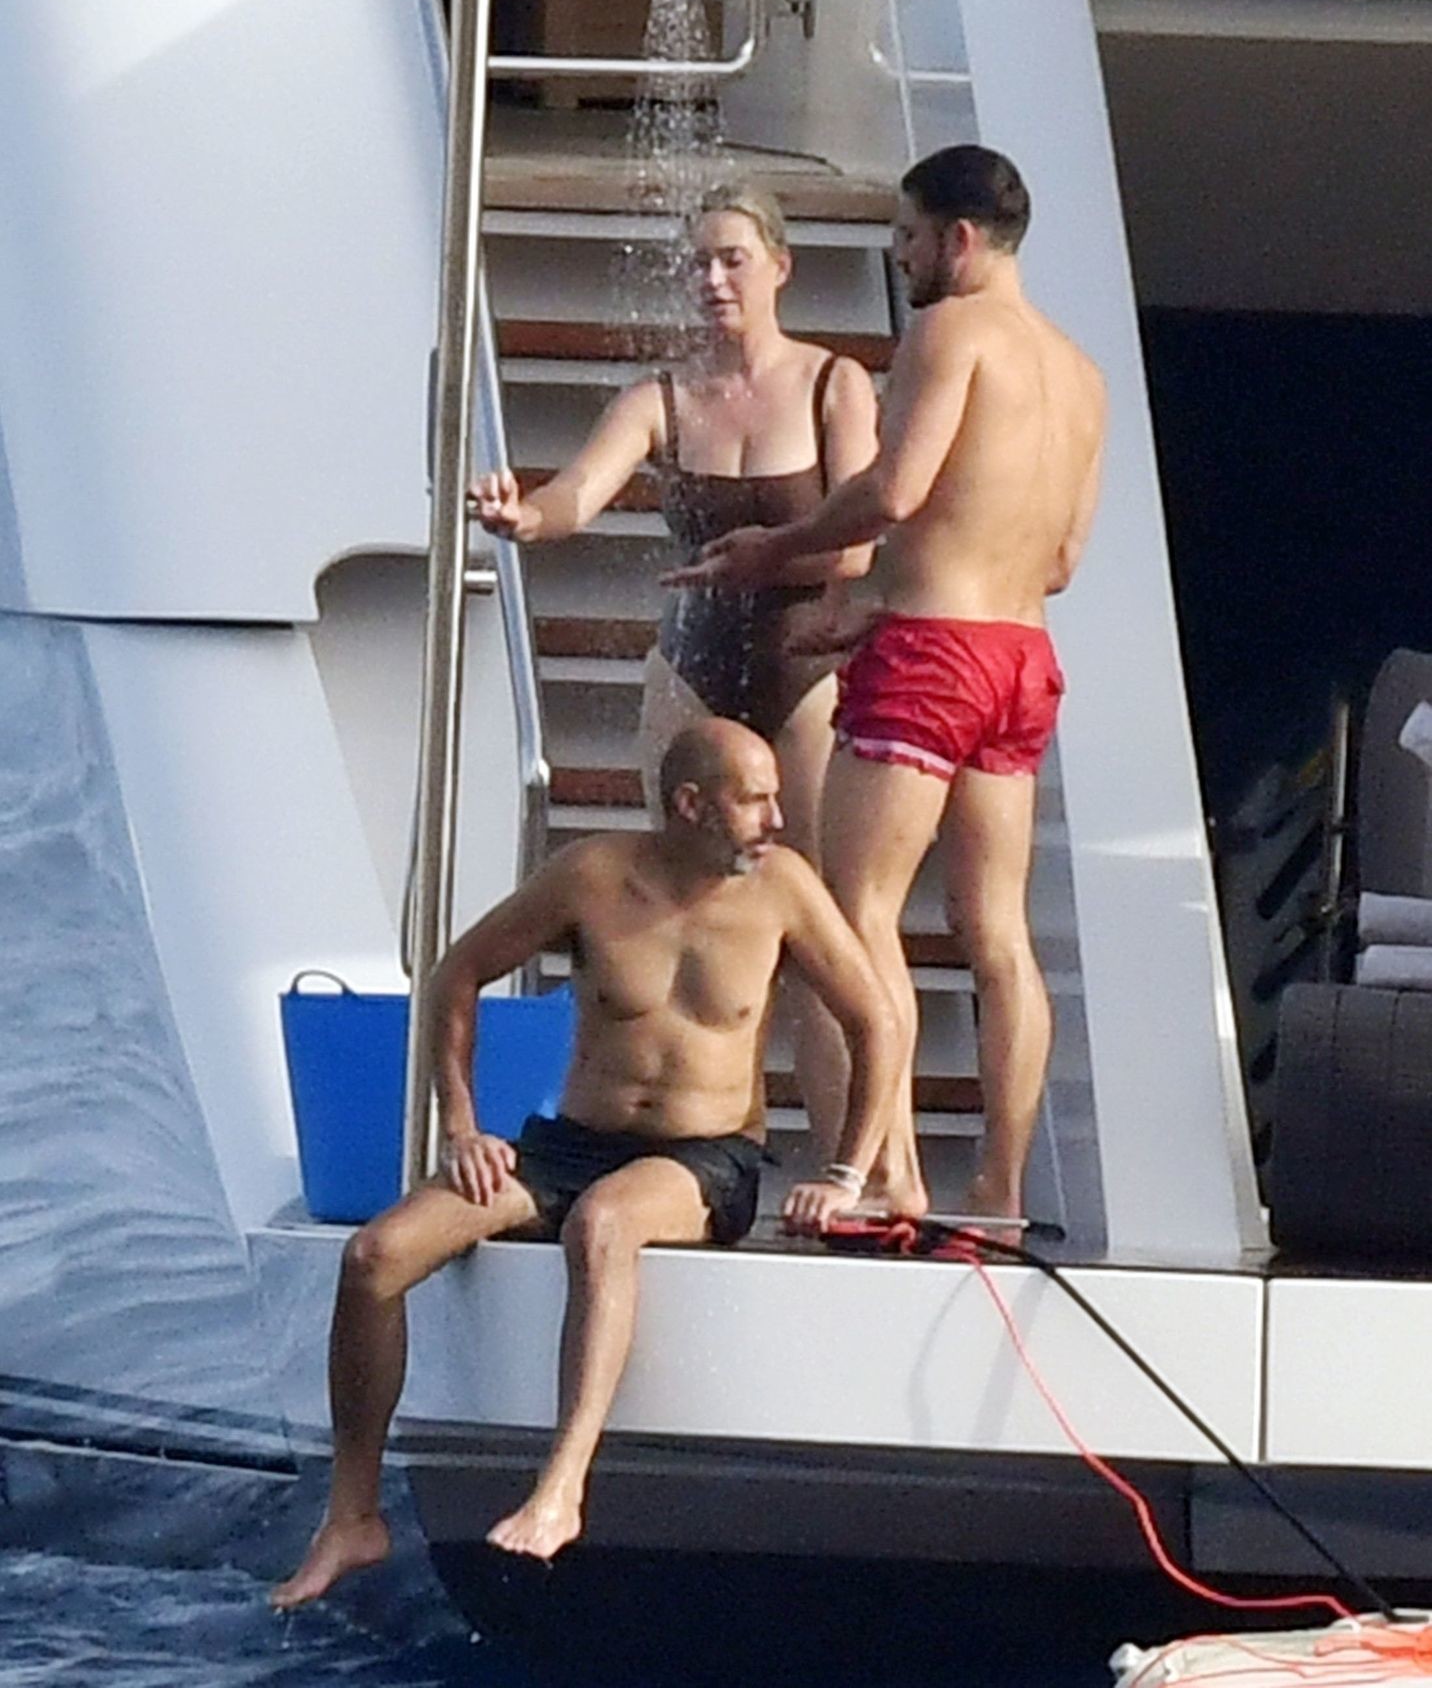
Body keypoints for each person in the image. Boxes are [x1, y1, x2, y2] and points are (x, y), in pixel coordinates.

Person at [271, 719, 899, 1606]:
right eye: (755, 800)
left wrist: (845, 1177)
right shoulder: (593, 876)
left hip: (706, 1157)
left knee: (605, 1224)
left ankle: (562, 1485)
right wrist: (463, 1126)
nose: (777, 818)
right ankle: (353, 1516)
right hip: (567, 1145)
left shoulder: (784, 889)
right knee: (374, 1257)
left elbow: (877, 1022)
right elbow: (456, 973)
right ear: (691, 805)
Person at [665, 145, 1107, 1224]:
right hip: (1020, 658)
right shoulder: (1079, 371)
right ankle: (999, 1187)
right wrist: (892, 604)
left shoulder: (949, 332)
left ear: (958, 239)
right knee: (997, 934)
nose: (899, 256)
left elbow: (894, 490)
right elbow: (1058, 561)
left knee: (857, 909)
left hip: (933, 660)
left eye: (906, 236)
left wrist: (778, 548)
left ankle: (891, 1173)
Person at [473, 190, 881, 1157]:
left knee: (811, 917)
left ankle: (845, 1162)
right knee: (686, 898)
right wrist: (525, 517)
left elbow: (860, 542)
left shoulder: (833, 384)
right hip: (693, 668)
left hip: (801, 668)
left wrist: (766, 558)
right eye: (698, 262)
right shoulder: (660, 397)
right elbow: (579, 492)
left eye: (732, 259)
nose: (713, 279)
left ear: (780, 266)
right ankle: (702, 1137)